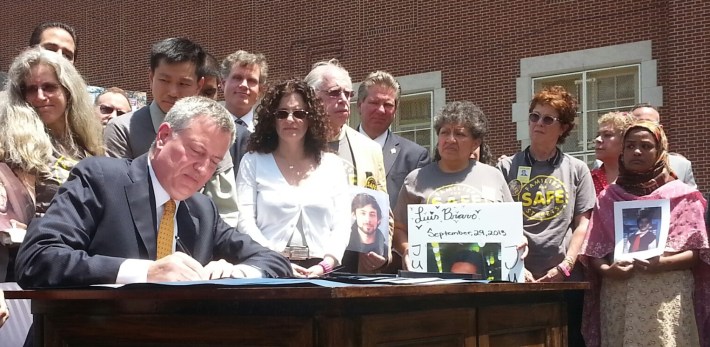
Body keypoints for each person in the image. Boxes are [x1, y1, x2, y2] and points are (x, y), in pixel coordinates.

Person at [14, 96, 293, 288]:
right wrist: (146, 272)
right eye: (197, 151)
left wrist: (237, 273)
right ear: (162, 137)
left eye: (214, 162)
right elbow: (38, 259)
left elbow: (274, 261)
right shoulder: (101, 179)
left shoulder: (202, 210)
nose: (202, 170)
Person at [580, 121, 709, 346]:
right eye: (630, 146)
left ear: (660, 151)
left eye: (646, 146)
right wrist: (608, 270)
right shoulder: (608, 198)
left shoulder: (684, 197)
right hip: (620, 297)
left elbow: (697, 253)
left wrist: (662, 264)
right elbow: (594, 251)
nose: (637, 151)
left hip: (667, 300)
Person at [103, 38, 240, 227]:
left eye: (184, 84)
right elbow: (115, 196)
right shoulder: (122, 129)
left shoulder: (214, 137)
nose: (173, 92)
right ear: (151, 78)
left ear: (199, 86)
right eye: (164, 80)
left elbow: (225, 210)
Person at [236, 80, 349, 278]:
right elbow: (244, 221)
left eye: (299, 113)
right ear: (272, 119)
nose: (290, 119)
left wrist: (326, 264)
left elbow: (342, 223)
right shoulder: (252, 161)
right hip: (267, 268)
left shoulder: (333, 165)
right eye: (282, 113)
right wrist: (276, 260)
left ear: (310, 118)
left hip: (320, 272)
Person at [394, 101, 520, 269]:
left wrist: (519, 242)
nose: (450, 140)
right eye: (444, 132)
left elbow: (510, 228)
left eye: (460, 134)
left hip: (486, 282)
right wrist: (407, 249)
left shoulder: (493, 176)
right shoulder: (415, 180)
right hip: (429, 282)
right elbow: (397, 228)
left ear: (476, 143)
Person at [497, 86, 594, 282]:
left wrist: (566, 266)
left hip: (564, 278)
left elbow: (583, 224)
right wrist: (516, 267)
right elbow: (497, 223)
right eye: (535, 116)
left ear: (563, 128)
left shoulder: (577, 169)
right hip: (515, 275)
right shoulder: (505, 167)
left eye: (548, 119)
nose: (539, 123)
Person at [305, 59, 390, 273]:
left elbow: (383, 207)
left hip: (355, 264)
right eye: (334, 93)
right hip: (309, 262)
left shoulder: (368, 148)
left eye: (348, 94)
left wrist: (382, 252)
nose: (343, 100)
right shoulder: (294, 144)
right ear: (311, 98)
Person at [0, 47, 104, 217]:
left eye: (49, 87)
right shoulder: (12, 148)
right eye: (32, 89)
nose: (40, 96)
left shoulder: (88, 146)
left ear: (68, 91)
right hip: (40, 240)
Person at [221, 50, 268, 171]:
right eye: (237, 78)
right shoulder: (205, 125)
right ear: (222, 83)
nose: (244, 85)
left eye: (251, 80)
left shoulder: (268, 133)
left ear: (261, 90)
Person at [630, 103, 696, 188]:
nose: (644, 127)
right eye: (639, 122)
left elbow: (692, 200)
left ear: (660, 128)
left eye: (649, 123)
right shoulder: (615, 165)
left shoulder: (681, 166)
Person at [591, 111, 634, 195]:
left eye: (607, 135)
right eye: (598, 135)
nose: (598, 139)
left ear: (626, 140)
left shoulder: (642, 179)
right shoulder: (588, 179)